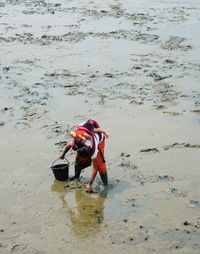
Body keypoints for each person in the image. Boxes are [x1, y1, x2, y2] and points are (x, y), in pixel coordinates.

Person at [59, 120, 109, 191]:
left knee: (100, 165)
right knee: (78, 160)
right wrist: (63, 154)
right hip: (83, 128)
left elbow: (95, 169)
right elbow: (68, 145)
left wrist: (90, 184)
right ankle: (76, 177)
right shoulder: (77, 142)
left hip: (99, 139)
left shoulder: (93, 151)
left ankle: (105, 184)